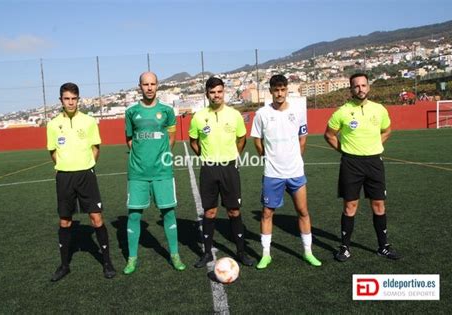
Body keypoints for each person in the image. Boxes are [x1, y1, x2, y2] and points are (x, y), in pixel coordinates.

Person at [324, 72, 401, 262]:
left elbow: (387, 130)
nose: (361, 89)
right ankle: (345, 247)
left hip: (374, 163)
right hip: (351, 164)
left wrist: (377, 145)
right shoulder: (342, 111)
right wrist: (344, 150)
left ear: (369, 87)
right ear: (351, 89)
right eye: (356, 86)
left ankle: (383, 246)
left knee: (378, 204)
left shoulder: (379, 109)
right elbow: (329, 135)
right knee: (350, 206)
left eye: (364, 85)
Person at [251, 74, 322, 269]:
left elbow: (303, 137)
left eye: (283, 89)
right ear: (271, 91)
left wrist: (296, 158)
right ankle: (265, 255)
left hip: (295, 172)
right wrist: (266, 156)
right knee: (267, 213)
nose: (280, 93)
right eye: (276, 90)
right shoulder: (262, 114)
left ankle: (308, 252)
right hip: (272, 173)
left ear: (286, 90)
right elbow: (257, 139)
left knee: (303, 211)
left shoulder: (298, 111)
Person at [47, 82, 116, 281]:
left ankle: (107, 262)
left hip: (86, 175)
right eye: (66, 98)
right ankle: (64, 265)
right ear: (61, 100)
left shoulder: (88, 121)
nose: (70, 102)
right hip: (64, 177)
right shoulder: (52, 125)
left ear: (78, 100)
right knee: (65, 221)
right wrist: (66, 166)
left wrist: (87, 165)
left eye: (73, 99)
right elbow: (53, 152)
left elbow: (96, 148)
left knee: (96, 218)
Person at [123, 72, 186, 274]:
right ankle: (132, 259)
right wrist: (142, 157)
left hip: (162, 172)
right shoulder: (131, 111)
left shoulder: (167, 110)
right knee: (134, 214)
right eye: (145, 84)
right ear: (139, 86)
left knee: (168, 212)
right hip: (138, 173)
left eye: (152, 84)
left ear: (158, 85)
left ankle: (174, 255)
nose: (149, 87)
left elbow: (171, 137)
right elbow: (130, 140)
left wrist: (162, 157)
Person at [189, 77, 254, 268]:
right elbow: (193, 141)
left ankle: (241, 252)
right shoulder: (199, 117)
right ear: (207, 94)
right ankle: (207, 253)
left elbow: (242, 138)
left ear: (223, 91)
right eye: (212, 92)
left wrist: (233, 155)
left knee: (233, 210)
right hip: (208, 168)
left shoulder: (234, 115)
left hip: (229, 167)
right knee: (209, 212)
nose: (216, 95)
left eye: (219, 91)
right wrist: (203, 155)